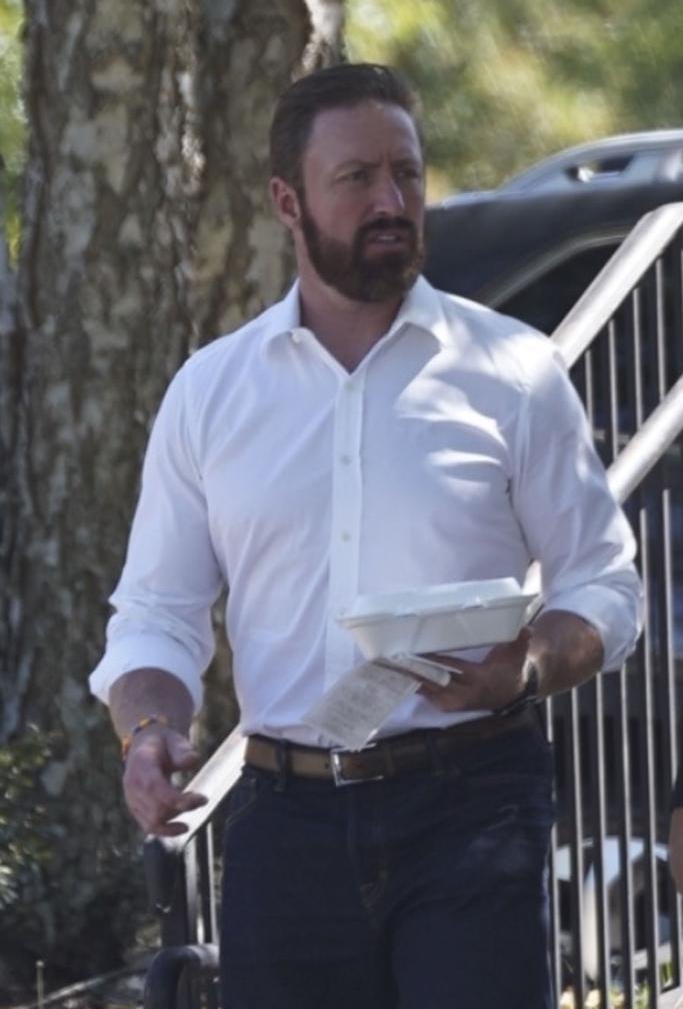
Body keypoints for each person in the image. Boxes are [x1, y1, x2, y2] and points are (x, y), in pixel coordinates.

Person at [90, 63, 643, 1009]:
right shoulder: (213, 392)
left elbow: (605, 584)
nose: (392, 201)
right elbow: (155, 612)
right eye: (357, 179)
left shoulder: (510, 370)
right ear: (286, 202)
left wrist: (527, 666)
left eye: (409, 175)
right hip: (285, 820)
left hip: (473, 798)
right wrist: (149, 731)